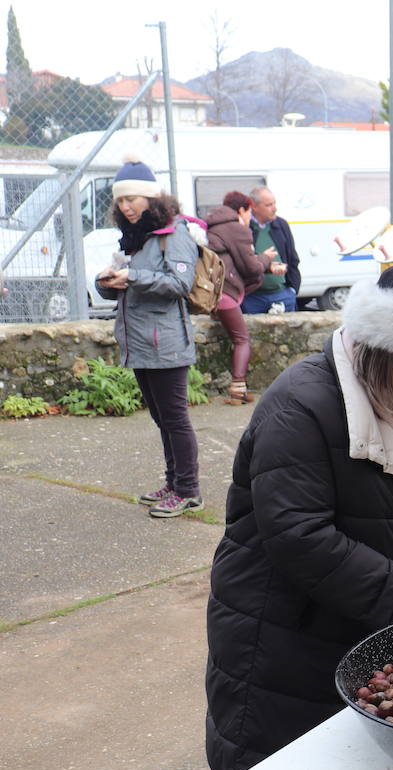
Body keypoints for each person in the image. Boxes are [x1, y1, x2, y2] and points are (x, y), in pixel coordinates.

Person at [204, 264, 393, 770]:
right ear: (383, 348)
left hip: (353, 626)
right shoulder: (300, 406)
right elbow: (299, 535)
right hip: (279, 643)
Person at [95, 156, 203, 519]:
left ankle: (189, 491)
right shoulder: (138, 239)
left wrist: (133, 278)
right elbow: (129, 292)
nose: (125, 207)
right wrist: (108, 283)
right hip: (140, 343)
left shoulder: (175, 234)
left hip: (167, 342)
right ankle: (174, 483)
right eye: (120, 201)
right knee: (161, 418)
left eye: (133, 199)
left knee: (175, 418)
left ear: (152, 200)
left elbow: (180, 285)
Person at [204, 190, 273, 405]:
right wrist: (266, 259)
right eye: (249, 212)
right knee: (242, 339)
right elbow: (251, 268)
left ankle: (238, 390)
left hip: (210, 293)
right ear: (242, 209)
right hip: (227, 292)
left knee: (236, 336)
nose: (249, 218)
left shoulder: (209, 227)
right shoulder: (237, 229)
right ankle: (237, 388)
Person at [240, 186, 300, 314]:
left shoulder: (281, 225)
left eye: (274, 203)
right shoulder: (244, 227)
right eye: (269, 205)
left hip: (283, 295)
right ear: (254, 206)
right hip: (252, 298)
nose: (275, 208)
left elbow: (293, 259)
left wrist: (293, 290)